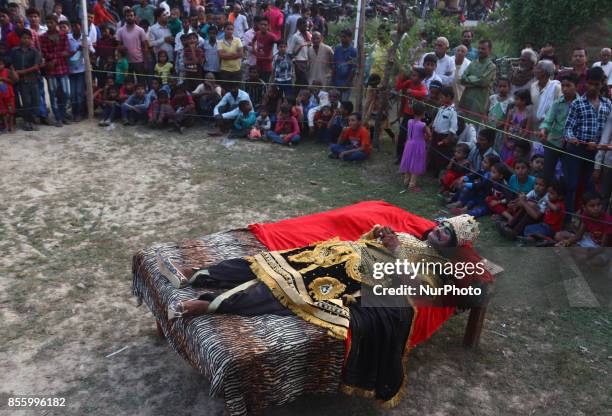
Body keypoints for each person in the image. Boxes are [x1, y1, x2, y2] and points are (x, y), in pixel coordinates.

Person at [159, 214, 484, 405]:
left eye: (446, 233)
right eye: (440, 225)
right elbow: (365, 238)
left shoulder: (438, 265)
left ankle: (205, 305)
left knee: (287, 289)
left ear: (454, 245)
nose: (438, 231)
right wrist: (380, 234)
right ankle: (196, 275)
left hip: (357, 275)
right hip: (338, 252)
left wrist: (395, 252)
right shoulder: (412, 236)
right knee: (270, 263)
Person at [563, 67, 611, 214]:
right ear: (585, 83)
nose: (593, 87)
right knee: (572, 184)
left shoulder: (607, 104)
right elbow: (568, 128)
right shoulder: (577, 103)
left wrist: (599, 146)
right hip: (577, 150)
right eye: (590, 83)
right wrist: (572, 138)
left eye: (596, 84)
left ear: (602, 84)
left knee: (590, 186)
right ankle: (569, 216)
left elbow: (607, 132)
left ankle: (587, 219)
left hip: (595, 153)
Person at [539, 73, 579, 182]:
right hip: (553, 142)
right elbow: (548, 121)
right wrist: (543, 130)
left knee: (567, 174)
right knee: (547, 172)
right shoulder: (557, 103)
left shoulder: (581, 104)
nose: (565, 89)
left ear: (576, 86)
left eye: (568, 86)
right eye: (563, 86)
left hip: (572, 145)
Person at [40, 14, 71, 127]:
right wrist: (57, 56)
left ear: (56, 23)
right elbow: (44, 53)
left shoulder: (63, 35)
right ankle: (58, 118)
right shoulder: (43, 37)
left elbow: (66, 51)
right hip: (51, 71)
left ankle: (62, 115)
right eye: (47, 23)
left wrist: (53, 58)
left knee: (66, 93)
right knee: (53, 94)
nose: (49, 25)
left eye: (51, 22)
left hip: (62, 68)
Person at [459, 39, 496, 126]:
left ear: (489, 50)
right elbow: (462, 79)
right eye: (479, 48)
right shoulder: (473, 63)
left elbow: (483, 82)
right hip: (466, 99)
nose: (480, 51)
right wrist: (476, 80)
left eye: (483, 49)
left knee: (473, 128)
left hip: (479, 102)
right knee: (461, 125)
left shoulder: (491, 66)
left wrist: (470, 78)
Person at [395, 68, 427, 163]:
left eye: (414, 75)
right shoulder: (409, 82)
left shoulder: (422, 86)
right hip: (406, 114)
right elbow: (398, 87)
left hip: (416, 116)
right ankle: (399, 155)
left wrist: (412, 92)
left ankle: (409, 156)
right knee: (402, 135)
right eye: (412, 74)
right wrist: (400, 79)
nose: (411, 77)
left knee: (412, 137)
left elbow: (424, 93)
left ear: (421, 78)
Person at [11, 29, 41, 131]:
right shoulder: (15, 51)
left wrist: (21, 72)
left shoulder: (34, 51)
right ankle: (27, 121)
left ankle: (33, 120)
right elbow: (10, 63)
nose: (26, 40)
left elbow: (36, 67)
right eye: (24, 38)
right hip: (22, 81)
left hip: (33, 79)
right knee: (26, 101)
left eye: (28, 38)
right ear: (20, 39)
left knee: (35, 101)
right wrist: (14, 72)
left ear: (32, 39)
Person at [67, 19, 94, 122]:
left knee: (79, 92)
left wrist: (86, 49)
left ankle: (80, 112)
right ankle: (74, 112)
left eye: (76, 26)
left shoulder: (86, 39)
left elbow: (92, 52)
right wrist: (76, 50)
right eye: (72, 26)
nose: (74, 28)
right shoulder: (68, 38)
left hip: (82, 69)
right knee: (72, 93)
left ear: (81, 27)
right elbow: (66, 51)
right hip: (70, 69)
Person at [399, 102, 430, 191]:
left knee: (409, 161)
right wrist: (427, 135)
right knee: (416, 163)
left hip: (409, 144)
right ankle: (412, 184)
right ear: (422, 113)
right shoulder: (423, 125)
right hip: (418, 145)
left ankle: (406, 180)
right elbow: (429, 135)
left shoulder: (409, 121)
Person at [530, 60, 562, 144]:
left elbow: (558, 110)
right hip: (533, 128)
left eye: (537, 68)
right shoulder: (533, 86)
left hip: (549, 130)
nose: (534, 69)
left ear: (544, 72)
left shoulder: (556, 88)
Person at [429, 86, 459, 177]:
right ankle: (433, 170)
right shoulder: (441, 108)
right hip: (436, 134)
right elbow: (436, 121)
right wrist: (432, 129)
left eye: (442, 97)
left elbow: (453, 127)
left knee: (441, 155)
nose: (440, 99)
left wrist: (448, 138)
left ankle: (438, 173)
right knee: (434, 152)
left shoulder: (452, 112)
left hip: (444, 136)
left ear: (449, 97)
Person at [115, 8, 149, 85]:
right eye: (127, 16)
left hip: (139, 61)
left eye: (131, 15)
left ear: (135, 17)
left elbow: (145, 47)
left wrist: (146, 62)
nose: (129, 17)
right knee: (128, 83)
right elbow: (118, 46)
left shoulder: (140, 30)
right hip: (126, 62)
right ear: (125, 17)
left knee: (141, 82)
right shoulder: (120, 31)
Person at [502, 89, 532, 164]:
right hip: (508, 140)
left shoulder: (528, 115)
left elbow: (526, 131)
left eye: (517, 99)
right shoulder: (511, 111)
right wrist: (506, 141)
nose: (515, 101)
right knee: (504, 160)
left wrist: (516, 143)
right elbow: (506, 126)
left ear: (524, 101)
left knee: (514, 161)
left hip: (518, 144)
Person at [487, 77, 512, 153]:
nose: (502, 88)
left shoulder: (510, 102)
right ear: (497, 87)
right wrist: (486, 124)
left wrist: (498, 125)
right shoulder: (492, 98)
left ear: (509, 87)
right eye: (500, 86)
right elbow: (485, 112)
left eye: (504, 86)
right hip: (488, 128)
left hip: (500, 131)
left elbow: (508, 118)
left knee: (497, 150)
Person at [332, 29, 356, 102]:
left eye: (344, 37)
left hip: (346, 82)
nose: (342, 39)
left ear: (350, 38)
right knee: (335, 102)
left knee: (344, 103)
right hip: (336, 81)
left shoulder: (353, 51)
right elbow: (334, 64)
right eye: (341, 37)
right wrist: (333, 80)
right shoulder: (337, 49)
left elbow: (353, 69)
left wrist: (347, 83)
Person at [217, 22, 243, 89]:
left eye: (231, 29)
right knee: (225, 90)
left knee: (237, 90)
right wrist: (234, 54)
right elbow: (221, 56)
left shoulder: (238, 40)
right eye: (228, 29)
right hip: (225, 70)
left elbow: (241, 54)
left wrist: (226, 55)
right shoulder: (219, 42)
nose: (230, 31)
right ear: (224, 29)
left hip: (236, 70)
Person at [288, 17, 311, 87]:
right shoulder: (295, 36)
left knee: (304, 82)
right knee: (302, 82)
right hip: (299, 62)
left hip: (308, 62)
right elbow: (290, 52)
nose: (306, 27)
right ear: (298, 26)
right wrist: (296, 63)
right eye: (304, 25)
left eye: (306, 25)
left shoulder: (309, 34)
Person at [253, 17, 278, 82]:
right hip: (258, 62)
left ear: (268, 26)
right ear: (259, 25)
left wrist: (273, 55)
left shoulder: (272, 36)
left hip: (267, 63)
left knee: (266, 82)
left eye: (265, 25)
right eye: (261, 24)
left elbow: (279, 45)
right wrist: (254, 50)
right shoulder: (257, 33)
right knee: (258, 81)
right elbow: (253, 40)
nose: (263, 26)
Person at [0, 56, 17, 132]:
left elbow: (14, 81)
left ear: (3, 64)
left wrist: (4, 79)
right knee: (3, 112)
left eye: (0, 64)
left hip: (9, 95)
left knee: (11, 111)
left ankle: (11, 126)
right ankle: (6, 126)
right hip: (0, 96)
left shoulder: (7, 71)